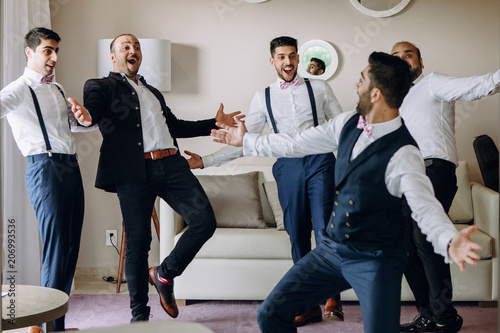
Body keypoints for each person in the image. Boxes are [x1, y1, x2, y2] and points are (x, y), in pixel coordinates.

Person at [211, 52, 482, 333]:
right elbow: (295, 143)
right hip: (331, 250)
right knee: (271, 314)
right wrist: (247, 140)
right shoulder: (347, 122)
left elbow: (425, 208)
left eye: (361, 79)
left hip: (376, 260)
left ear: (375, 94)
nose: (356, 85)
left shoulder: (405, 153)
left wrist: (449, 240)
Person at [82, 33, 241, 322]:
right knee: (139, 242)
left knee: (204, 221)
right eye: (126, 46)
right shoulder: (100, 86)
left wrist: (215, 124)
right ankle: (139, 317)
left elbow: (175, 126)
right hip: (133, 172)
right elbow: (92, 113)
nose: (133, 50)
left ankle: (164, 274)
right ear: (113, 56)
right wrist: (85, 116)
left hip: (172, 165)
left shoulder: (153, 91)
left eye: (137, 46)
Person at [187, 36, 344, 326]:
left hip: (321, 161)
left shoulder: (320, 88)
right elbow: (243, 141)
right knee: (296, 234)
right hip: (287, 167)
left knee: (324, 230)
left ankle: (333, 298)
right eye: (281, 57)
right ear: (272, 61)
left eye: (292, 56)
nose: (288, 62)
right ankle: (307, 304)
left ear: (299, 58)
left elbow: (343, 129)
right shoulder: (263, 97)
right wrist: (206, 161)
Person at [391, 41, 500, 333]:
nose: (402, 60)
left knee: (424, 240)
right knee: (404, 247)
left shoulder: (433, 83)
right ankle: (430, 314)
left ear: (420, 62)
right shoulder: (394, 102)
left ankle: (445, 317)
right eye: (395, 56)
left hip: (434, 168)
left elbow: (476, 86)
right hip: (406, 175)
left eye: (408, 54)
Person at [0, 27, 94, 331]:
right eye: (47, 51)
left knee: (69, 246)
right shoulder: (17, 89)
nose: (54, 57)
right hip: (44, 168)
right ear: (30, 52)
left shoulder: (56, 88)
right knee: (56, 248)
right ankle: (48, 326)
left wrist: (83, 120)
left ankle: (53, 323)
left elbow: (69, 129)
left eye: (56, 51)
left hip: (69, 166)